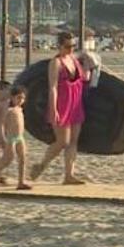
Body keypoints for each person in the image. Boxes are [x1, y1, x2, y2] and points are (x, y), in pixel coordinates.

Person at [30, 31, 91, 185]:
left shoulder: (73, 59)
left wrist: (89, 64)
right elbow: (53, 87)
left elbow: (85, 78)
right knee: (62, 141)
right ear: (59, 46)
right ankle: (41, 165)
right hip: (62, 104)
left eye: (73, 46)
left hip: (75, 104)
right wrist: (53, 109)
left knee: (73, 141)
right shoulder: (56, 63)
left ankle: (69, 175)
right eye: (67, 46)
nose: (71, 49)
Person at [0, 85, 32, 190]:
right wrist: (2, 138)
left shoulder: (19, 109)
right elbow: (1, 125)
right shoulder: (8, 109)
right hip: (11, 138)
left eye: (23, 98)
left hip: (20, 137)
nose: (21, 100)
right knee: (8, 159)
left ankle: (21, 182)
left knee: (23, 158)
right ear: (12, 97)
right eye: (18, 98)